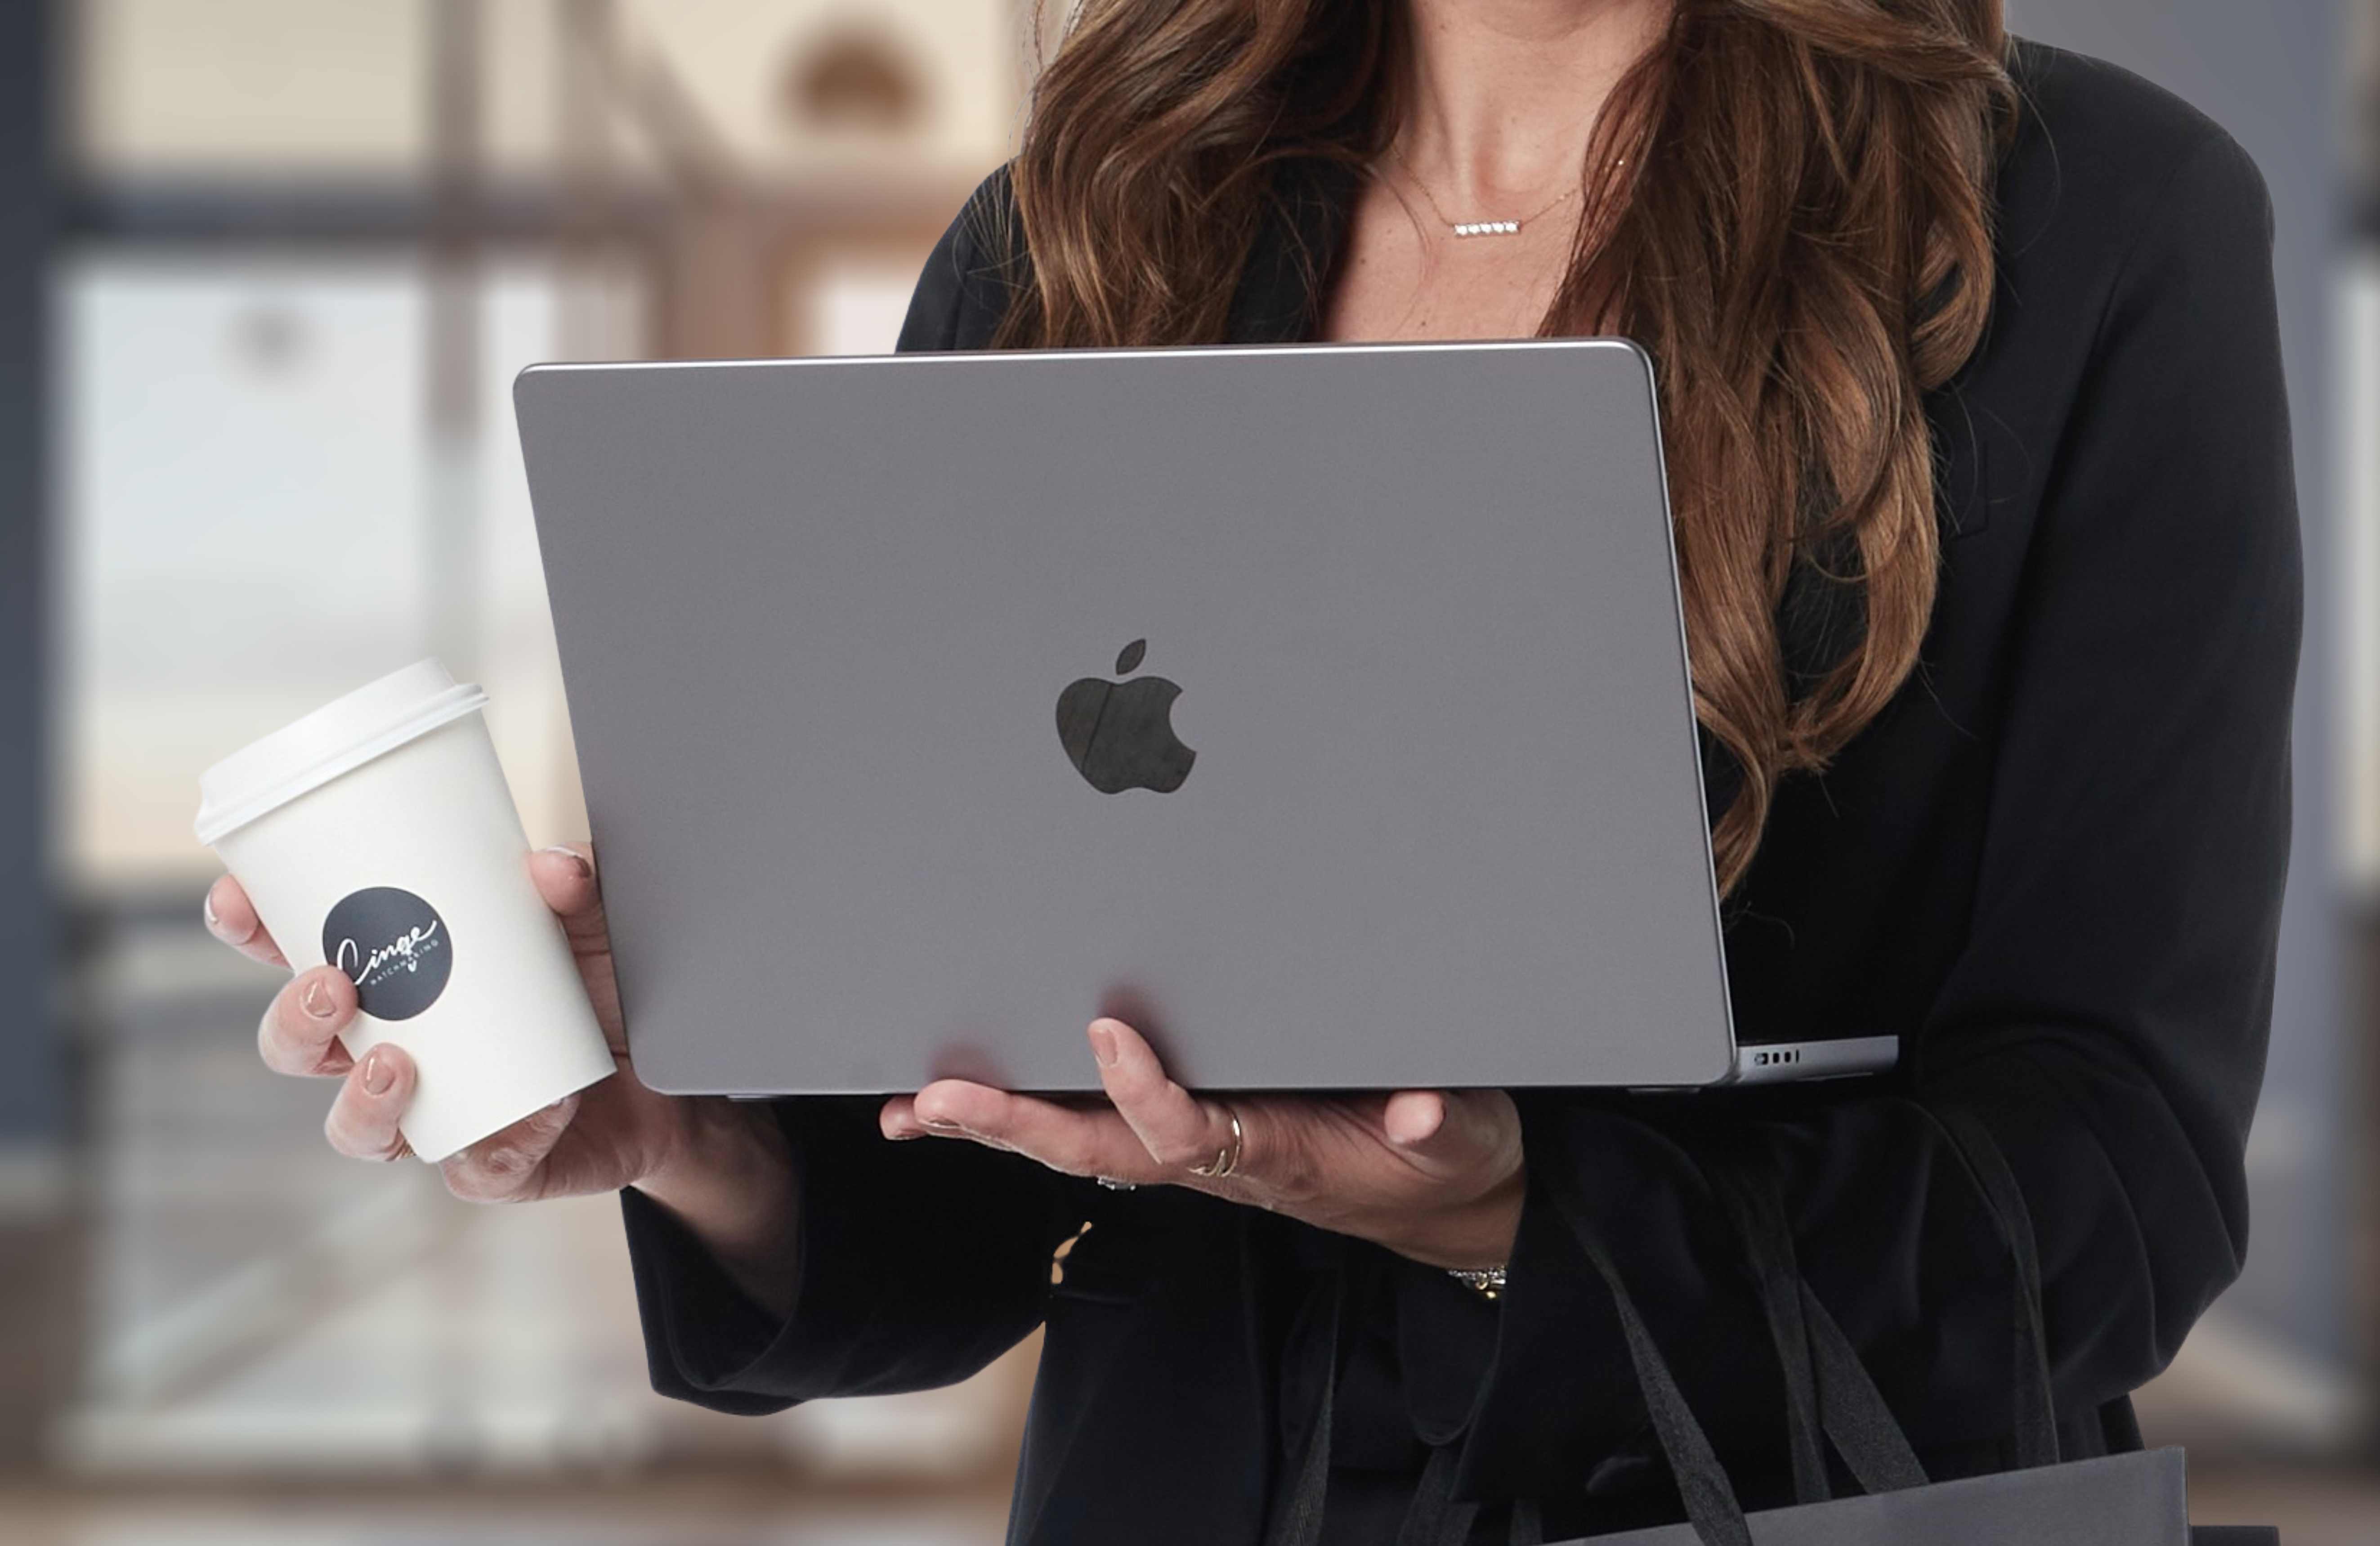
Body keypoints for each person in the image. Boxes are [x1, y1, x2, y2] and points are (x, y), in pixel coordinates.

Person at [207, 0, 2302, 1540]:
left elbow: (2121, 1169)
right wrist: (693, 1126)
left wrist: (1507, 1209)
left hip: (1781, 1497)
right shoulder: (1077, 235)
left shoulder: (2079, 229)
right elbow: (960, 1183)